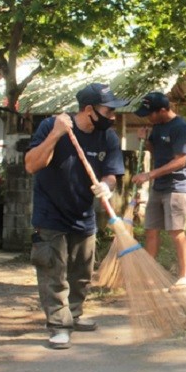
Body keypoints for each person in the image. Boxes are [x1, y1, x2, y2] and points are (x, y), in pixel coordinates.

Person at [24, 82, 127, 349]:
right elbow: (32, 165)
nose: (113, 116)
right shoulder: (52, 125)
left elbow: (112, 174)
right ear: (89, 109)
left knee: (81, 273)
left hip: (83, 215)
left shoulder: (109, 137)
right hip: (51, 215)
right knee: (53, 273)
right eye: (109, 110)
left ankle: (74, 314)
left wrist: (106, 185)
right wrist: (56, 135)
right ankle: (59, 325)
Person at [130, 92, 186, 289]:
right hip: (158, 185)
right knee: (151, 230)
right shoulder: (157, 127)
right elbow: (155, 150)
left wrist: (149, 175)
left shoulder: (181, 127)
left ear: (163, 110)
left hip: (177, 186)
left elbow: (181, 160)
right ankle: (149, 275)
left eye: (151, 113)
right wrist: (145, 140)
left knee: (176, 232)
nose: (148, 117)